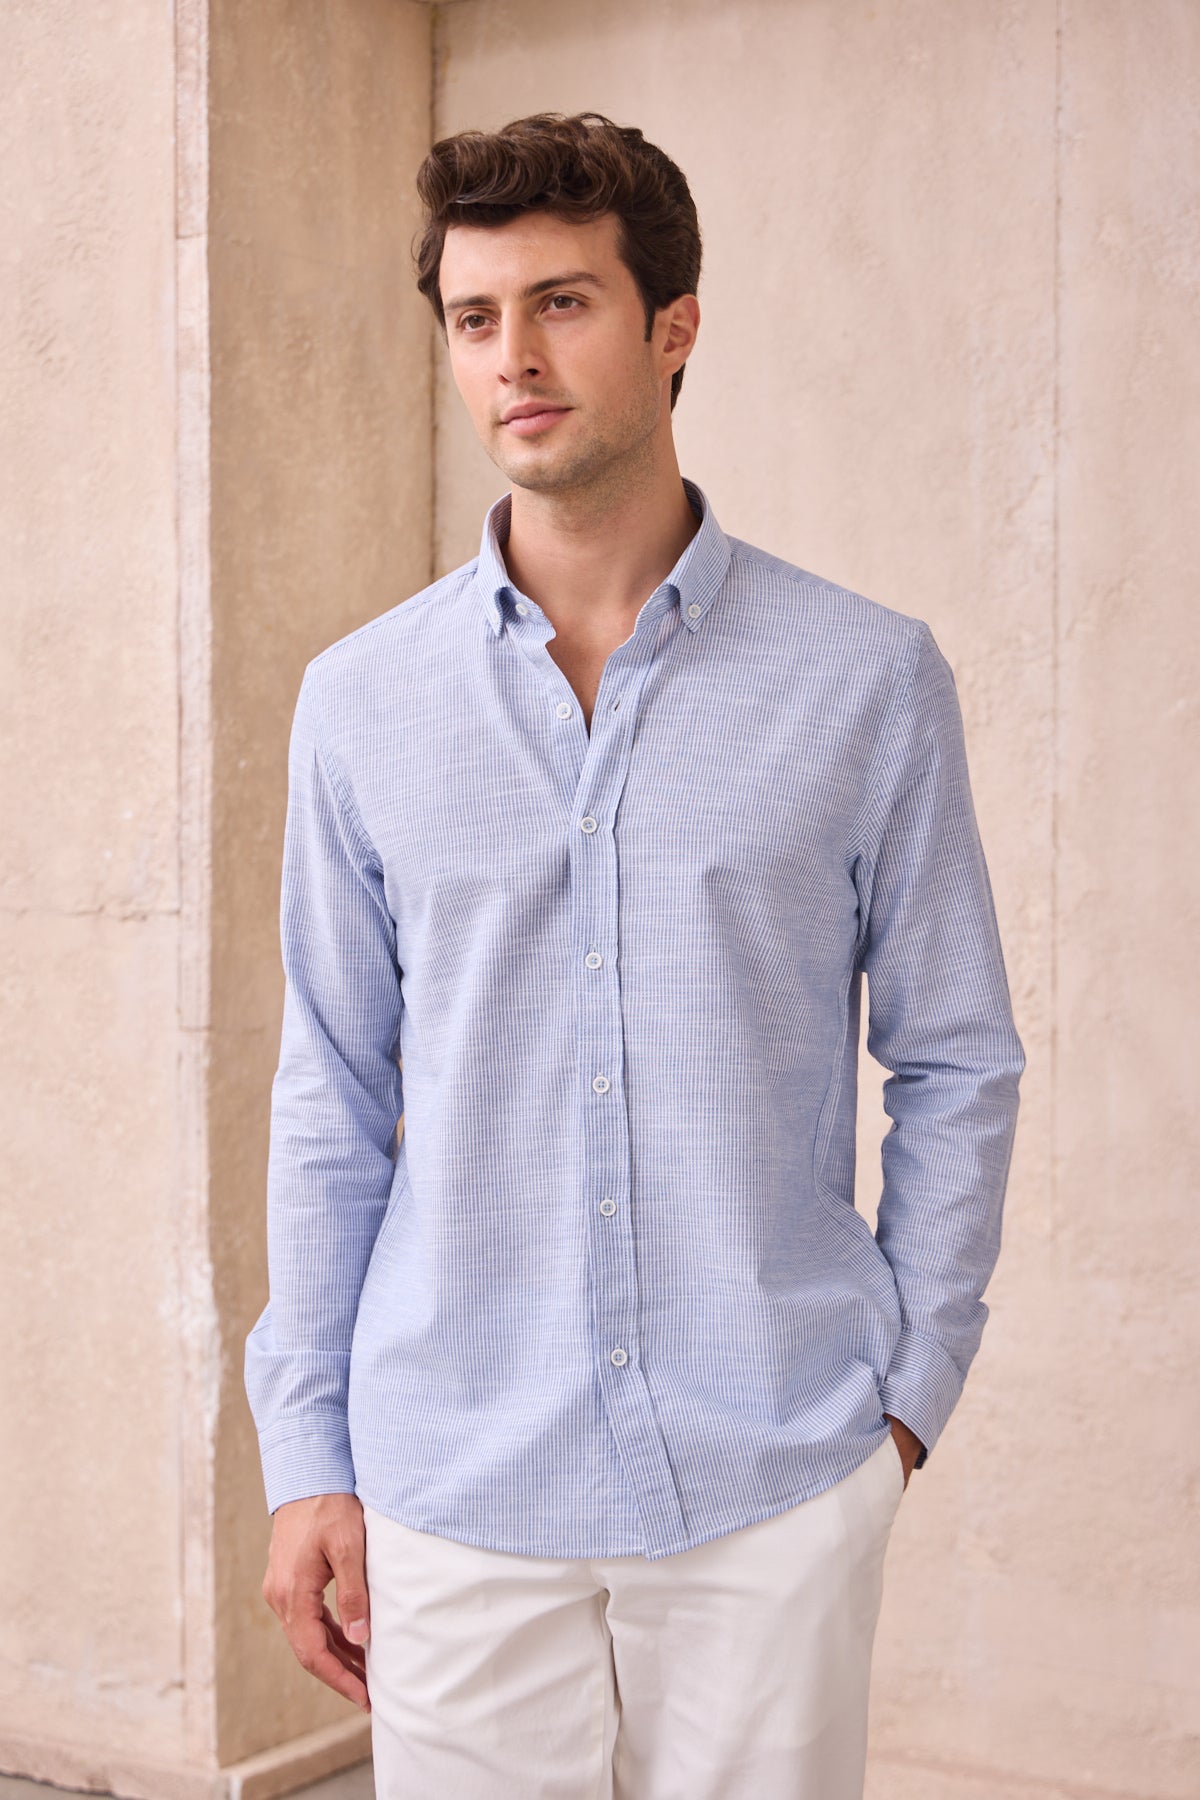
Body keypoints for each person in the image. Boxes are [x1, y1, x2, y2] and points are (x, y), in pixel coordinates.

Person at [245, 110, 1025, 1800]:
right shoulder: (360, 704)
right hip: (454, 1483)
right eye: (474, 317)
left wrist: (904, 1400)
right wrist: (307, 1451)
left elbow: (958, 1055)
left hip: (775, 1471)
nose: (513, 359)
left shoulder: (865, 680)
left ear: (674, 326)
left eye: (563, 303)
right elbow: (330, 1094)